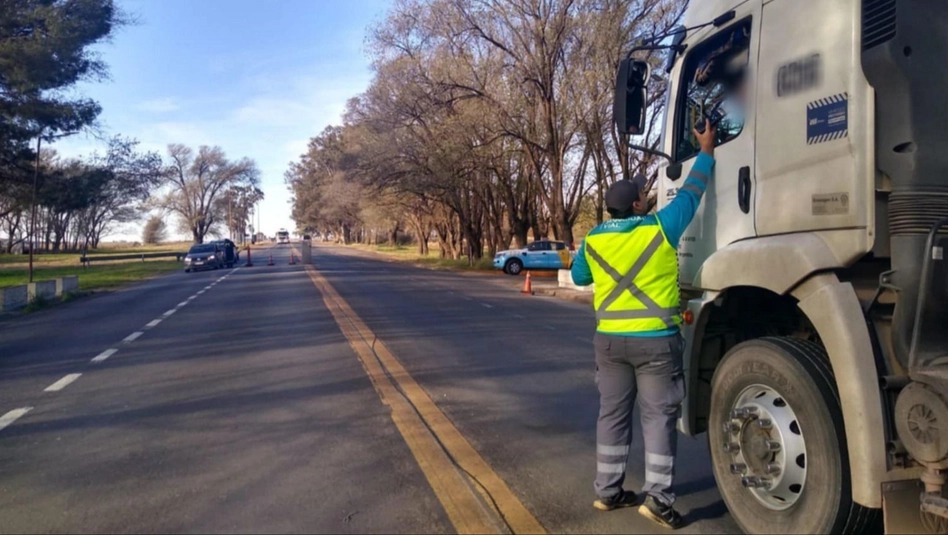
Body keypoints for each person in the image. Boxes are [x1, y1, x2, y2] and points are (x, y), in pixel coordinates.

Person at [571, 120, 717, 529]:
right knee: (657, 420)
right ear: (636, 205)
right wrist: (706, 150)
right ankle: (658, 500)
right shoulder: (661, 227)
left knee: (612, 416)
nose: (646, 195)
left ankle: (608, 491)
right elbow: (692, 193)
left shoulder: (594, 239)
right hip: (656, 345)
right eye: (642, 194)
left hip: (609, 344)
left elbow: (580, 277)